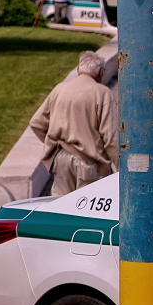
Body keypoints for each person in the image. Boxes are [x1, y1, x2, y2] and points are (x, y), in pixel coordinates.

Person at [29, 51, 119, 196]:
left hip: (61, 160)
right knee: (88, 214)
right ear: (101, 72)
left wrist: (52, 142)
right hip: (89, 163)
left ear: (78, 68)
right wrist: (121, 169)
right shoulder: (101, 93)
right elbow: (111, 138)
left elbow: (37, 122)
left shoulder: (60, 89)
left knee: (62, 212)